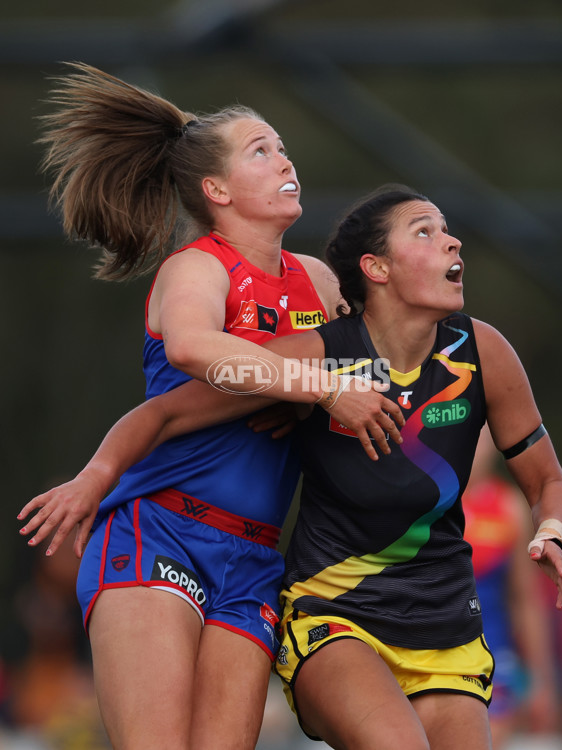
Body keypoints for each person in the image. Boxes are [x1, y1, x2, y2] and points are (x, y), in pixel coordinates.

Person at [20, 184, 562, 749]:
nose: (453, 241)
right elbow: (164, 414)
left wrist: (553, 528)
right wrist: (93, 478)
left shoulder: (484, 352)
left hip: (445, 623)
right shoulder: (314, 355)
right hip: (334, 615)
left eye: (446, 229)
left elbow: (550, 483)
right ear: (376, 268)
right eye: (426, 232)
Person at [20, 63, 404, 750]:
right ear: (216, 189)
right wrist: (316, 389)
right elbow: (198, 349)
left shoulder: (316, 280)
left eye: (284, 147)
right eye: (261, 150)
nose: (285, 158)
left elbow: (377, 365)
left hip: (253, 558)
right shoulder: (196, 268)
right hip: (159, 531)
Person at [462, 424, 560, 749]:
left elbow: (526, 600)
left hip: (492, 659)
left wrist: (541, 682)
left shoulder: (508, 508)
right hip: (420, 651)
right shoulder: (413, 502)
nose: (471, 446)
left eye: (480, 435)